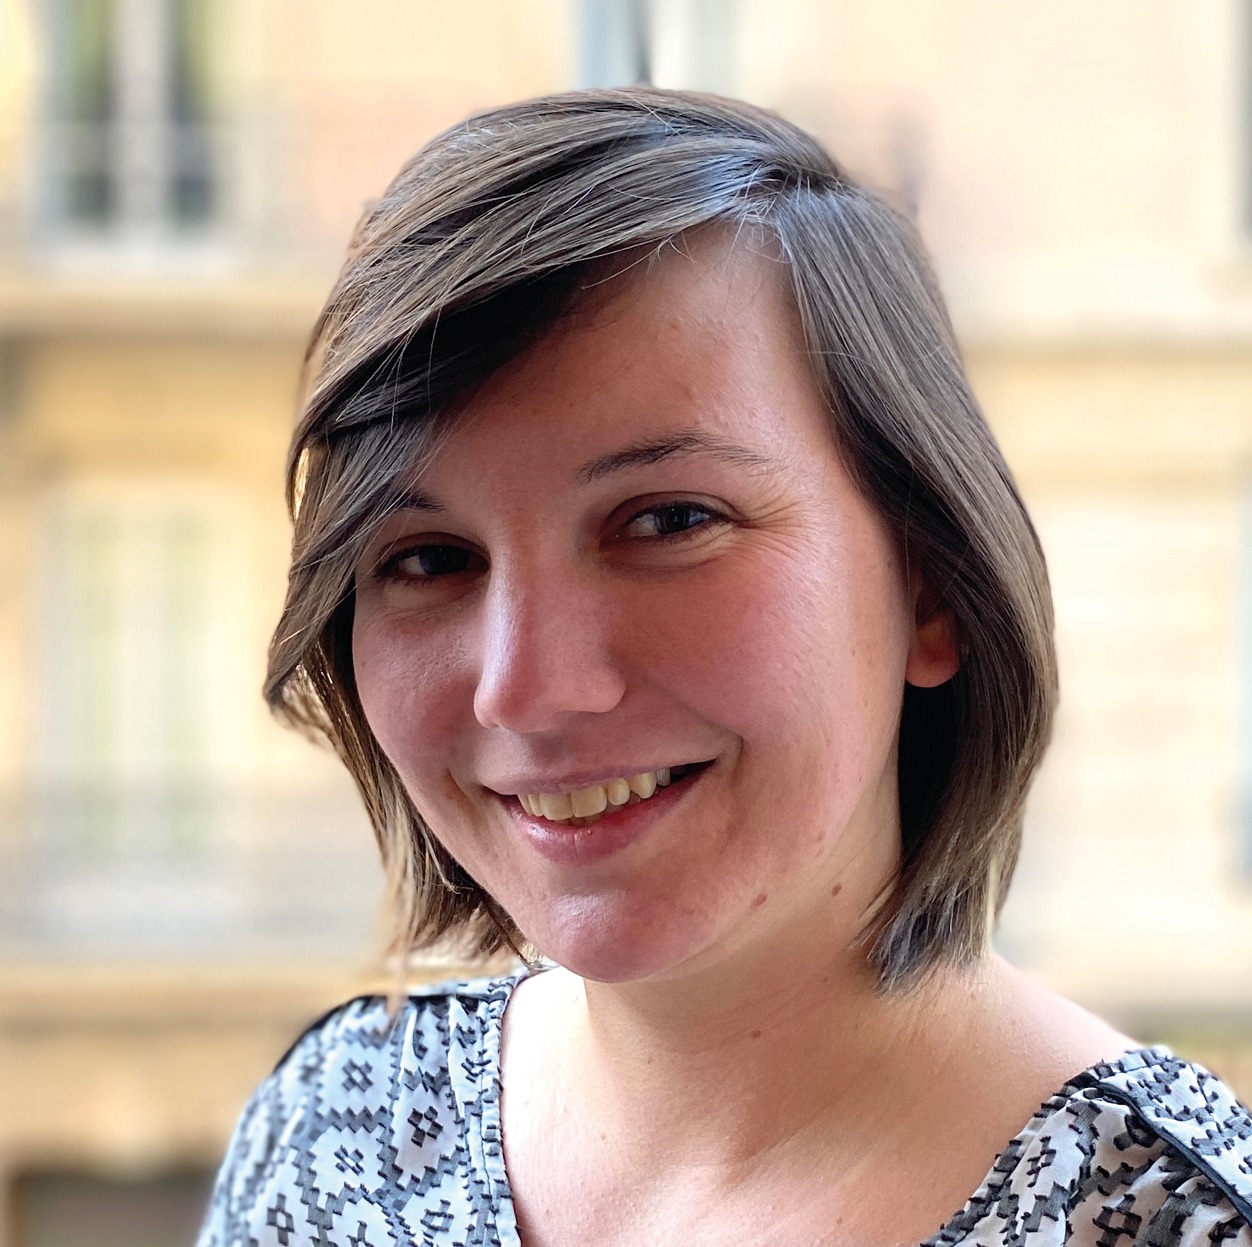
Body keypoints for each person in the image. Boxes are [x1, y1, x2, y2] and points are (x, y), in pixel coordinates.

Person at [197, 89, 1252, 1247]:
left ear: (931, 590)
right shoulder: (330, 1136)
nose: (526, 687)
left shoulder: (1173, 1219)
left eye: (666, 520)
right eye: (428, 558)